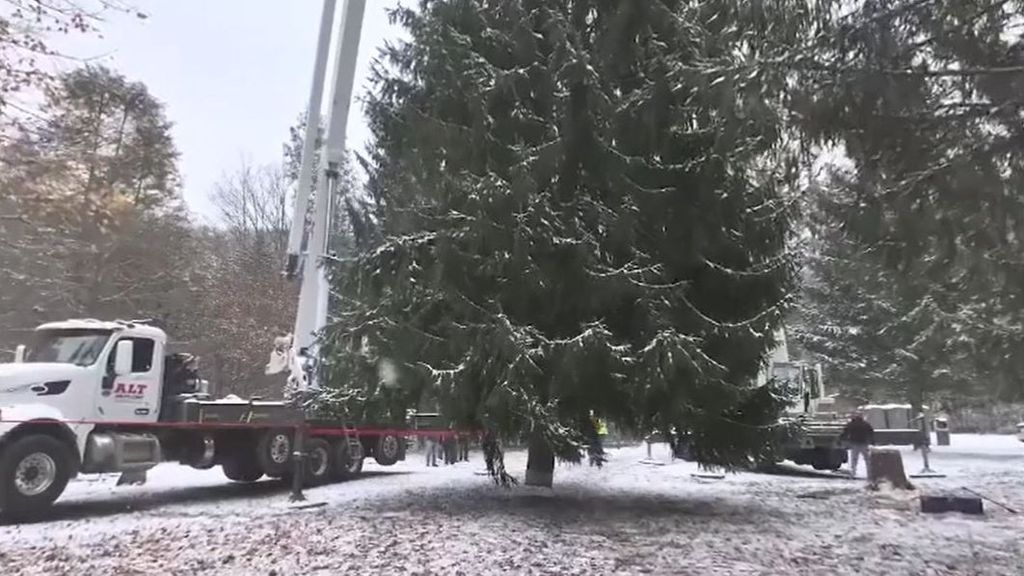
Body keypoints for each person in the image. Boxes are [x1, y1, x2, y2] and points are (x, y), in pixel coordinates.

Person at [840, 413, 874, 478]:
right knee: (867, 459)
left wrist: (842, 439)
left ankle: (853, 473)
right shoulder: (865, 424)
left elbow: (845, 432)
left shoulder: (851, 424)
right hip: (864, 443)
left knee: (854, 459)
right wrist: (871, 441)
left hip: (854, 443)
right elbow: (871, 432)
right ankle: (870, 473)